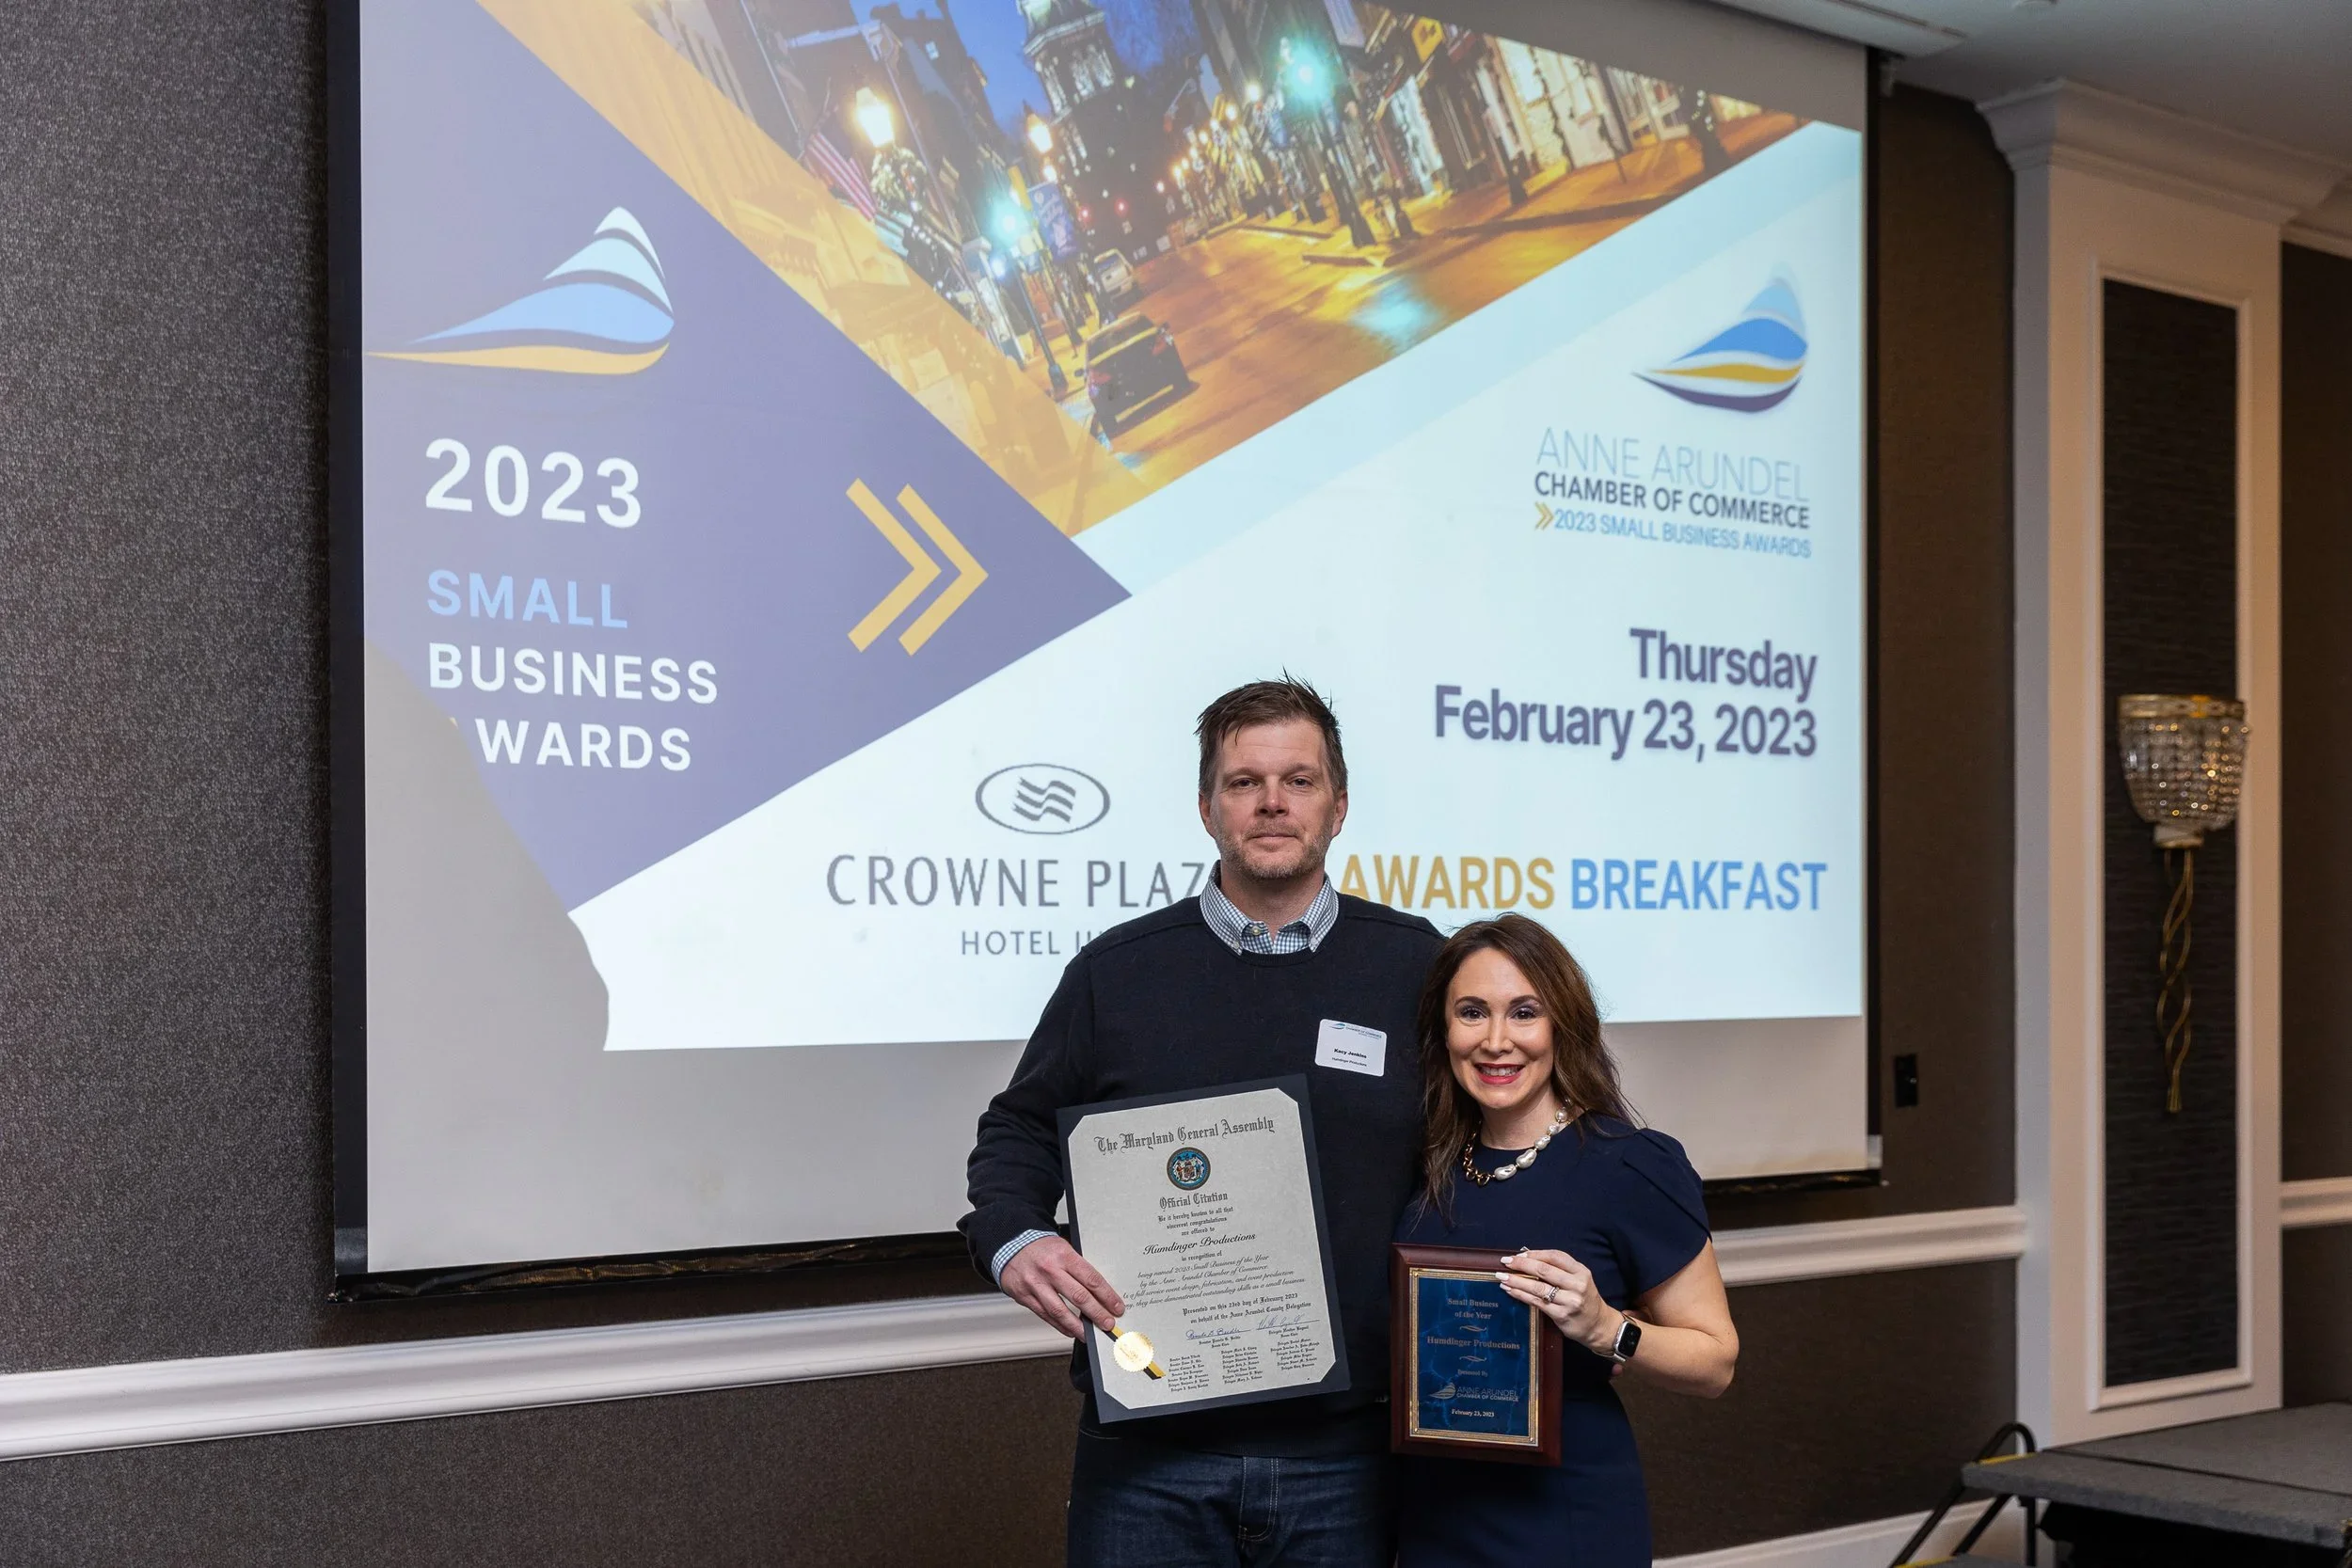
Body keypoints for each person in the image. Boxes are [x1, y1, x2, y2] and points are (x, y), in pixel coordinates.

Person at [961, 678, 1442, 1567]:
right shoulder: (1119, 973)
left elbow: (1483, 1145)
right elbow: (1018, 1128)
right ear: (1205, 807)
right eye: (1242, 782)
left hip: (1354, 1455)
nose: (1270, 802)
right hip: (1150, 1450)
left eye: (1298, 781)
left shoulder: (1418, 965)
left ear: (1338, 807)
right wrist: (1014, 1236)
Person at [1394, 914, 1739, 1567]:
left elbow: (1716, 1362)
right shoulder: (1429, 1164)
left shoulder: (1629, 1164)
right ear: (1445, 1031)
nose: (1497, 1041)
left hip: (1564, 1521)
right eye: (1473, 1012)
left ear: (1562, 1025)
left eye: (1525, 1012)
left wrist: (1607, 1327)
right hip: (1436, 1517)